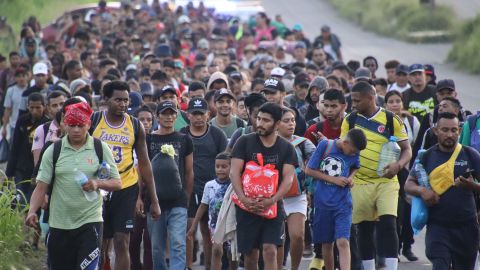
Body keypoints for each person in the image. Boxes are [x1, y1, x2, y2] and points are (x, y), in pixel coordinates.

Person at [25, 102, 122, 270]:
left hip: (90, 222)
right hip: (59, 224)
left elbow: (117, 182)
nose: (76, 130)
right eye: (72, 125)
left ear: (89, 125)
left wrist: (97, 183)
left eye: (80, 125)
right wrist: (32, 211)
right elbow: (41, 187)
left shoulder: (100, 148)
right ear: (64, 125)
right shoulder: (53, 151)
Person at [90, 80, 161, 270]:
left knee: (122, 241)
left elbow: (145, 164)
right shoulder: (94, 121)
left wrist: (153, 200)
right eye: (118, 100)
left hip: (125, 186)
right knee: (99, 241)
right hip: (98, 186)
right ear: (106, 99)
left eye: (126, 100)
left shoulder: (135, 125)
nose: (123, 104)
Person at [342, 81, 412, 270]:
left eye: (357, 100)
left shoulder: (391, 120)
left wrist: (398, 165)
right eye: (352, 100)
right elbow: (344, 150)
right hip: (360, 182)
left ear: (370, 98)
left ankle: (390, 266)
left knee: (389, 223)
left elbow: (407, 150)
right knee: (364, 228)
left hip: (386, 181)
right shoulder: (350, 120)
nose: (353, 104)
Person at [405, 112, 480, 270]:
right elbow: (409, 184)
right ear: (436, 131)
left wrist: (472, 186)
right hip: (438, 227)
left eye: (454, 130)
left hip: (467, 227)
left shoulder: (470, 154)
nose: (450, 134)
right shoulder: (427, 156)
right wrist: (422, 191)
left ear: (459, 131)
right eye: (445, 130)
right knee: (440, 265)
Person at [231, 102, 297, 270]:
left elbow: (288, 178)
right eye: (258, 118)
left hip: (273, 207)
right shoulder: (244, 142)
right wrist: (244, 199)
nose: (260, 123)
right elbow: (234, 173)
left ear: (276, 124)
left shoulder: (287, 148)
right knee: (251, 256)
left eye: (266, 120)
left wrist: (273, 200)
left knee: (270, 250)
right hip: (247, 207)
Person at [305, 128, 367, 270]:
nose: (354, 154)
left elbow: (355, 167)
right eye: (352, 151)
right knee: (327, 244)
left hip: (343, 204)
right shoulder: (325, 146)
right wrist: (334, 180)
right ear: (345, 143)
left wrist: (350, 179)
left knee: (343, 241)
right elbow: (309, 170)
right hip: (323, 203)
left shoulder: (354, 152)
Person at [146, 100, 194, 270]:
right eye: (164, 113)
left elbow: (189, 171)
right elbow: (142, 170)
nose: (168, 117)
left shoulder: (184, 139)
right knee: (157, 248)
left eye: (172, 113)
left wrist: (186, 196)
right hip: (153, 200)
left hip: (178, 201)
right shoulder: (148, 139)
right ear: (157, 116)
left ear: (177, 115)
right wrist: (140, 197)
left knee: (178, 243)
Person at [181, 97, 228, 270]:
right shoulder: (182, 134)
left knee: (209, 233)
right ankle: (187, 266)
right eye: (195, 114)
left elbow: (225, 161)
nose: (198, 117)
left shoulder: (217, 134)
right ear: (188, 115)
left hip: (214, 190)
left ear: (208, 114)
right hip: (190, 189)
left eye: (201, 114)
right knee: (189, 230)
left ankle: (210, 266)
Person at [277, 107, 316, 270]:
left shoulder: (303, 142)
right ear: (276, 124)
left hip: (297, 195)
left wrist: (310, 191)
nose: (291, 124)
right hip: (274, 196)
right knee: (278, 239)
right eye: (286, 121)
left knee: (298, 236)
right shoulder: (268, 142)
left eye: (292, 120)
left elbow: (316, 160)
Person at [188, 152, 237, 270]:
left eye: (224, 167)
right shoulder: (209, 185)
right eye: (217, 166)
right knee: (216, 251)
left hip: (232, 226)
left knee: (232, 254)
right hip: (215, 226)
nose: (220, 169)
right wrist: (194, 226)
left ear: (232, 167)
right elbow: (203, 206)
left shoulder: (235, 185)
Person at [6, 93, 49, 202]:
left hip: (37, 169)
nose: (34, 111)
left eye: (38, 107)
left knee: (32, 199)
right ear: (27, 107)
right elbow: (15, 146)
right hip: (21, 167)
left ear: (44, 106)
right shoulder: (22, 121)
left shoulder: (47, 124)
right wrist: (9, 173)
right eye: (32, 107)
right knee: (21, 198)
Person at [130, 106, 154, 270]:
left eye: (149, 120)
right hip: (131, 193)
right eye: (142, 120)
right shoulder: (129, 143)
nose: (145, 123)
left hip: (151, 194)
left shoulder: (154, 142)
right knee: (133, 238)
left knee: (149, 240)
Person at [31, 91, 67, 165]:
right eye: (54, 105)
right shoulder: (42, 130)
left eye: (62, 104)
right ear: (48, 108)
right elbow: (37, 163)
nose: (59, 108)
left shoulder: (76, 127)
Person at [2, 67, 29, 140]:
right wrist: (4, 127)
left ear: (27, 76)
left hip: (28, 125)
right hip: (14, 125)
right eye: (19, 76)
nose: (21, 78)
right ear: (15, 78)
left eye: (23, 76)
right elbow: (7, 109)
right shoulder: (11, 90)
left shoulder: (30, 89)